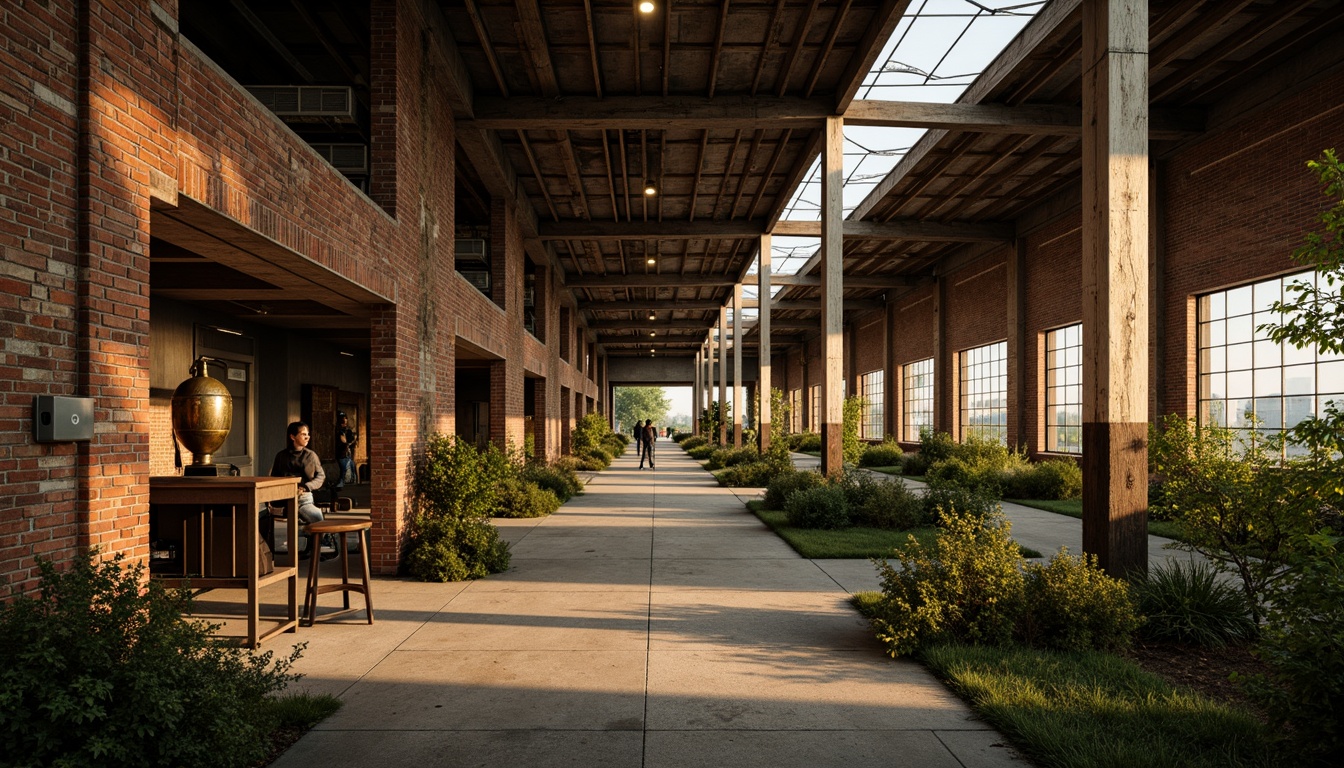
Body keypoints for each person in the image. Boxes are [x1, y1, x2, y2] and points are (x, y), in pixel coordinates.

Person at [270, 421, 334, 559]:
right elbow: (273, 477)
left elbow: (320, 476)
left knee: (317, 517)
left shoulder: (311, 455)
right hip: (284, 500)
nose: (307, 437)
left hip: (304, 499)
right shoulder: (281, 456)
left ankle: (317, 546)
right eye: (303, 434)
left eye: (308, 434)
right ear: (292, 437)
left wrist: (307, 487)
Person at [335, 411, 357, 488]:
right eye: (343, 420)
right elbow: (342, 441)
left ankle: (347, 481)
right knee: (343, 467)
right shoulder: (338, 430)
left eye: (345, 419)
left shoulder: (348, 430)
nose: (345, 421)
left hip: (347, 452)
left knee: (349, 466)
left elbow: (351, 440)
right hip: (340, 452)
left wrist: (350, 442)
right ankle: (341, 481)